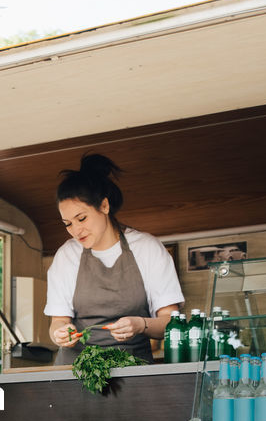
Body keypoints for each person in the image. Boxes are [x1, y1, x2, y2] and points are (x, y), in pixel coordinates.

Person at [44, 154, 185, 364]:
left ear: (104, 206)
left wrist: (140, 325)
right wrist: (61, 333)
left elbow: (171, 323)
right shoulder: (67, 255)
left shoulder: (146, 248)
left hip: (132, 367)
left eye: (81, 218)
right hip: (76, 370)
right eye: (68, 224)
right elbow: (58, 322)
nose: (76, 230)